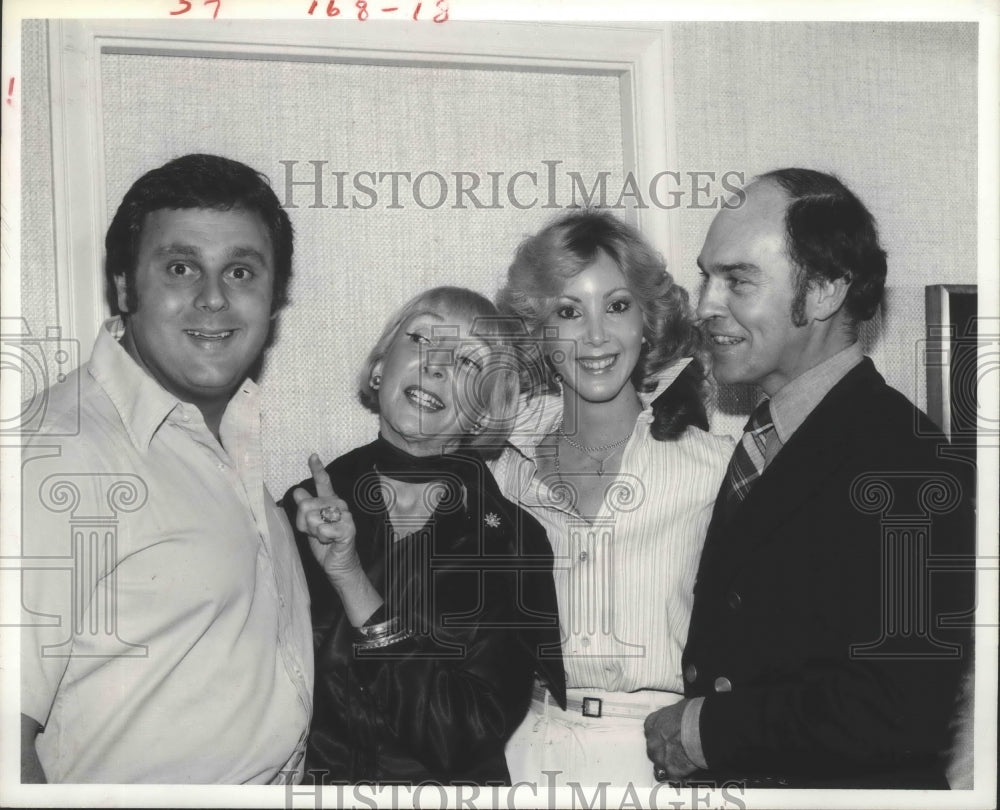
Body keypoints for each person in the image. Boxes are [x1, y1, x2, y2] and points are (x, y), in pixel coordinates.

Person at [645, 168, 975, 789]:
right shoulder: (767, 434)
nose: (707, 305)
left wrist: (702, 730)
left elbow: (902, 711)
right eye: (706, 276)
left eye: (738, 280)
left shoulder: (911, 463)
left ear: (824, 292)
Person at [19, 154, 313, 784]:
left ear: (273, 296)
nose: (213, 297)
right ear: (124, 285)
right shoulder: (57, 454)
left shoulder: (228, 442)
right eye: (180, 268)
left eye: (241, 270)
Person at [284, 286, 565, 785]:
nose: (436, 366)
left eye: (467, 363)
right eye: (420, 338)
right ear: (379, 367)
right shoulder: (299, 511)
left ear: (484, 409)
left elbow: (464, 736)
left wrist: (351, 581)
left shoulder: (511, 542)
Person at [491, 209, 732, 787]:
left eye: (617, 306)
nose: (595, 336)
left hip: (665, 758)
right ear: (539, 333)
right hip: (525, 752)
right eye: (568, 312)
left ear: (648, 321)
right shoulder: (501, 475)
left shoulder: (717, 467)